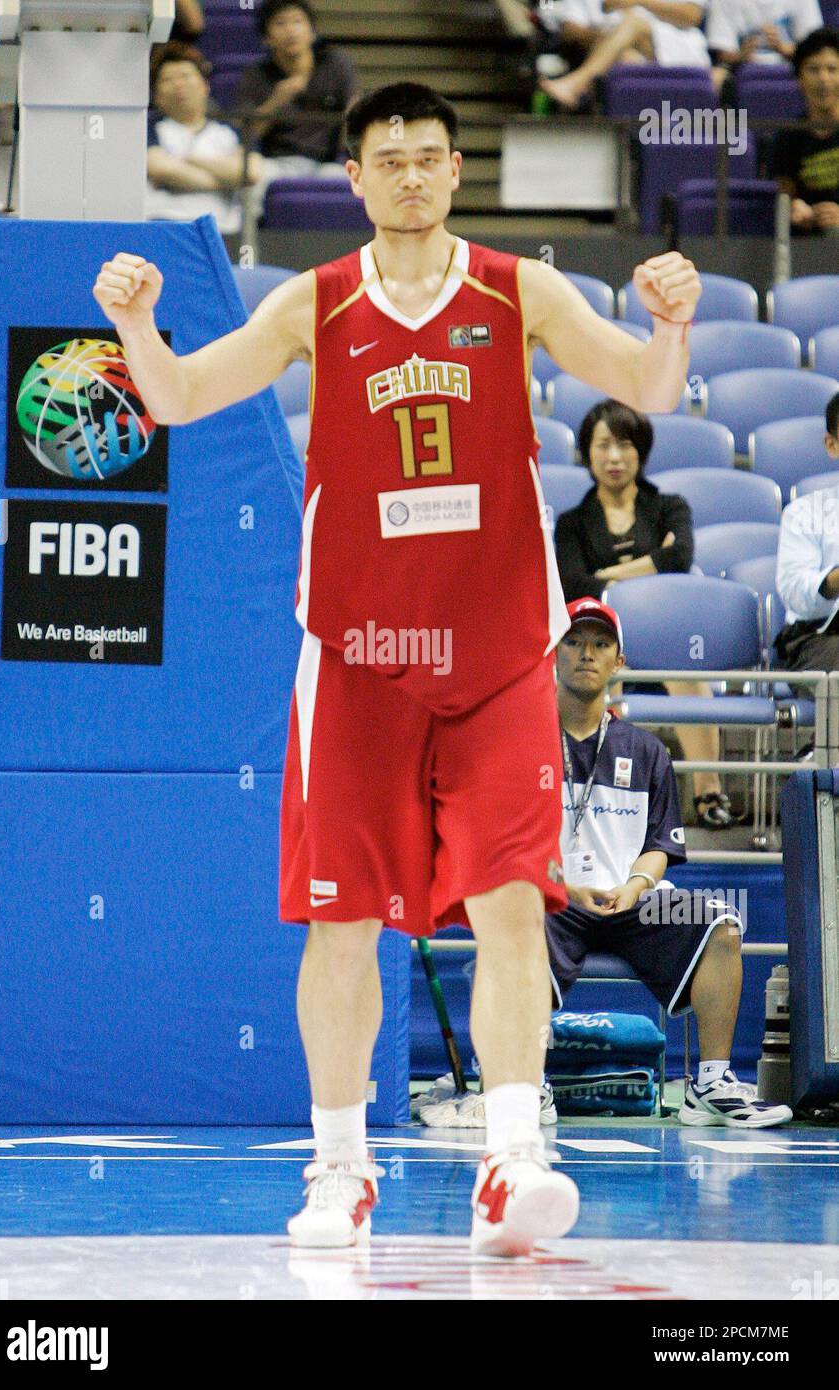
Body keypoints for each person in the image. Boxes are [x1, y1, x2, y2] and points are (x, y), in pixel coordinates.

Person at [92, 81, 702, 1257]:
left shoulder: (516, 288)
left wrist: (671, 321)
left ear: (458, 172)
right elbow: (173, 396)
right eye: (390, 158)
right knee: (340, 923)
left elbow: (649, 385)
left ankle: (514, 1157)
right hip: (360, 665)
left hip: (500, 665)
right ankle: (339, 1169)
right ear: (357, 180)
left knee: (512, 907)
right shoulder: (313, 304)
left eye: (432, 156)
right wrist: (136, 326)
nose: (412, 176)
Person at [549, 597, 792, 1126]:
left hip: (635, 904)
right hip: (556, 900)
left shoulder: (645, 750)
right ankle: (523, 1082)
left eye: (600, 644)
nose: (586, 654)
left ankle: (709, 1084)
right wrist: (564, 887)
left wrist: (635, 887)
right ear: (553, 653)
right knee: (515, 923)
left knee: (722, 923)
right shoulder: (524, 743)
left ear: (619, 663)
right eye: (573, 642)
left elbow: (660, 844)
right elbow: (510, 838)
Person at [554, 399, 735, 829]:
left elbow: (680, 557)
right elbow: (574, 583)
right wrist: (650, 563)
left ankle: (709, 794)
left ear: (641, 451)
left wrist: (608, 575)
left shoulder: (670, 506)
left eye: (624, 445)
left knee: (688, 675)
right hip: (599, 647)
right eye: (603, 446)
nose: (614, 457)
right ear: (587, 452)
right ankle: (569, 795)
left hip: (665, 647)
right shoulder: (572, 523)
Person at [230, 0, 357, 219]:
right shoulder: (257, 75)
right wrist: (276, 101)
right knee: (251, 183)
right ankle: (249, 245)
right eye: (280, 23)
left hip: (326, 164)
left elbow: (354, 110)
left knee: (358, 183)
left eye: (297, 21)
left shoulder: (334, 64)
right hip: (276, 163)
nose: (290, 30)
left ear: (312, 32)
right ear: (267, 38)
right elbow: (248, 134)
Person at [146, 43, 263, 239]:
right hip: (164, 225)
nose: (178, 85)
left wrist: (190, 159)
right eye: (167, 79)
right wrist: (228, 180)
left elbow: (250, 172)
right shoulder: (150, 129)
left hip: (222, 230)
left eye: (185, 76)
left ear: (205, 86)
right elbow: (161, 169)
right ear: (157, 96)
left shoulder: (232, 131)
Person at [538, 0, 713, 110]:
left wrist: (637, 1)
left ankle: (577, 83)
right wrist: (610, 38)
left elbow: (692, 15)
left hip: (681, 50)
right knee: (627, 57)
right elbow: (571, 29)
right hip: (618, 54)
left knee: (632, 22)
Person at [775, 391, 839, 673]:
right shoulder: (804, 513)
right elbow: (796, 595)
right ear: (832, 445)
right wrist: (834, 581)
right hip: (818, 638)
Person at [771, 26, 839, 233]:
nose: (823, 79)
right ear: (799, 78)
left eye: (832, 69)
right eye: (813, 69)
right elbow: (784, 196)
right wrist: (794, 209)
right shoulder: (788, 137)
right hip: (806, 246)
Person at [707, 0, 823, 69]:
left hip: (792, 65)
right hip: (740, 69)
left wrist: (783, 48)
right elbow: (722, 52)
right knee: (717, 76)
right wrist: (741, 55)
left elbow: (815, 47)